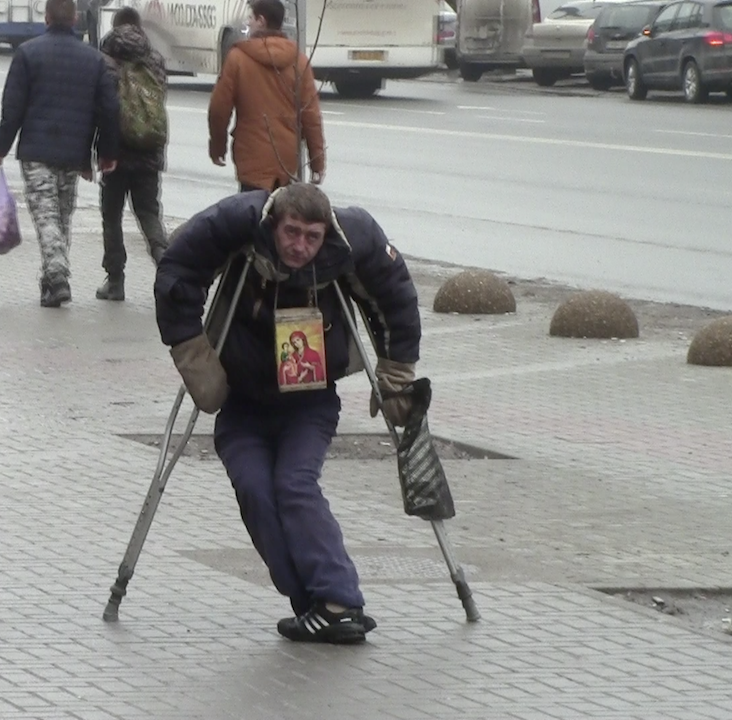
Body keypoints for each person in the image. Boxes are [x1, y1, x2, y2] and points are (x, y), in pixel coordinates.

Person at [154, 184, 421, 643]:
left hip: (309, 403)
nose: (300, 246)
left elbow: (395, 297)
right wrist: (191, 348)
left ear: (326, 235)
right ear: (274, 225)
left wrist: (397, 370)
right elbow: (179, 269)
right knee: (255, 489)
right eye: (291, 233)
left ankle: (339, 599)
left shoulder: (355, 236)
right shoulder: (238, 222)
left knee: (294, 484)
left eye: (312, 237)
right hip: (242, 403)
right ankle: (314, 603)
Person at [0, 0, 120, 308]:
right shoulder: (94, 60)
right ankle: (51, 286)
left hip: (37, 150)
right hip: (73, 153)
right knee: (61, 217)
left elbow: (12, 110)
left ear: (45, 17)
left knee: (47, 216)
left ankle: (57, 276)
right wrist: (106, 153)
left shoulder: (27, 54)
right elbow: (109, 110)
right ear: (75, 19)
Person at [207, 0, 325, 192]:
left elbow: (219, 109)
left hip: (251, 156)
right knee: (282, 214)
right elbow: (311, 115)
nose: (248, 22)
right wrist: (317, 162)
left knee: (252, 213)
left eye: (251, 18)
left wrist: (217, 147)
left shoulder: (238, 58)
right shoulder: (298, 61)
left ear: (261, 21)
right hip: (287, 157)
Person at [93, 6, 168, 302]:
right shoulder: (155, 60)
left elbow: (99, 108)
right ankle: (167, 267)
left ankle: (115, 281)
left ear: (114, 27)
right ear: (138, 28)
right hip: (149, 150)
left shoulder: (105, 59)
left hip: (115, 152)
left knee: (111, 216)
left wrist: (95, 151)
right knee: (149, 213)